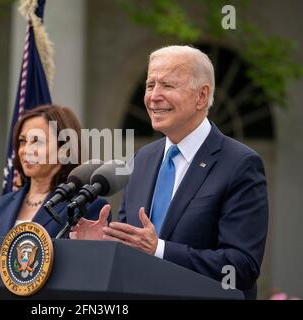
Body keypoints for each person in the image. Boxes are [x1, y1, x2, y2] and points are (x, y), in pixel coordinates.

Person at [70, 45, 268, 299]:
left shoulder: (240, 164)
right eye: (150, 84)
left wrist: (159, 250)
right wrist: (106, 244)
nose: (154, 96)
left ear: (201, 96)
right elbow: (134, 249)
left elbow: (240, 267)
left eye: (167, 85)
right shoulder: (142, 159)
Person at [0, 105, 108, 238]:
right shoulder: (1, 205)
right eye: (22, 141)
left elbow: (92, 256)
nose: (26, 150)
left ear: (65, 150)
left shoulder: (88, 205)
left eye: (37, 141)